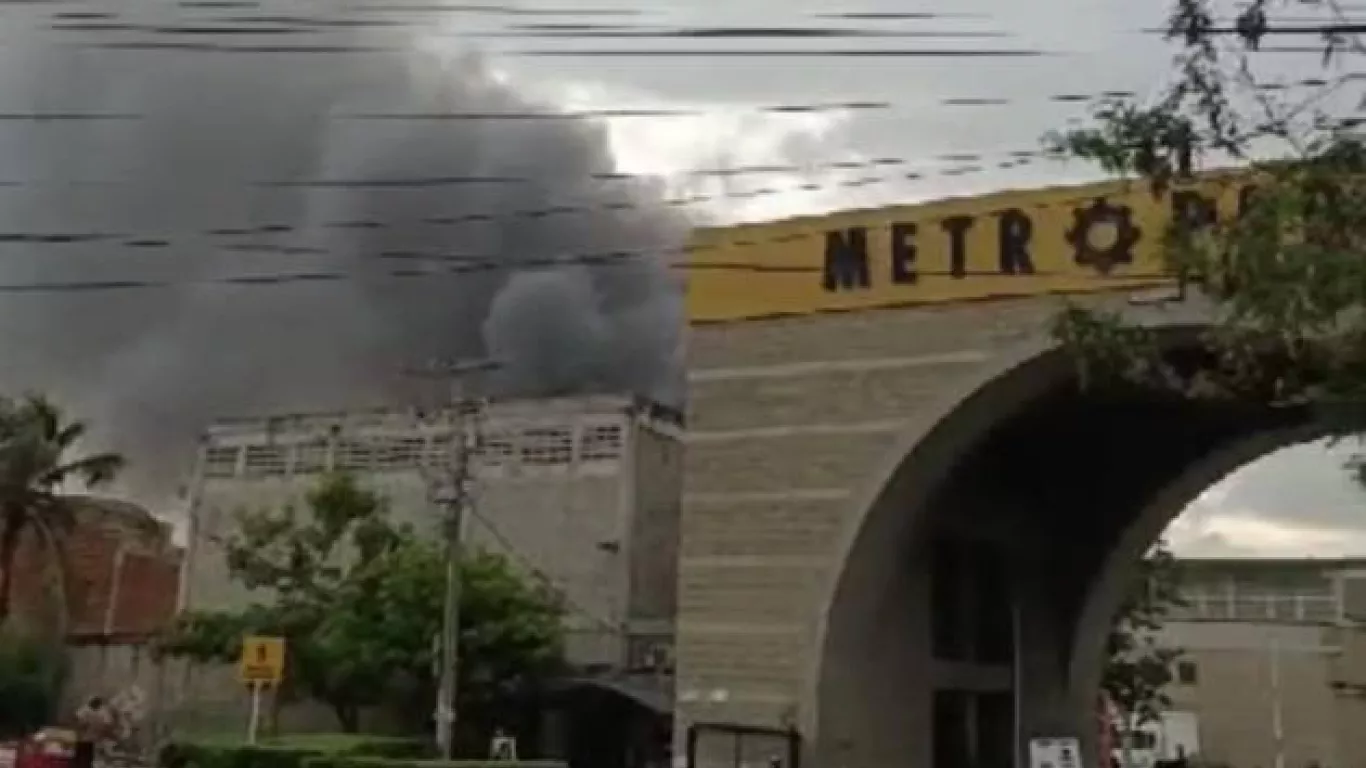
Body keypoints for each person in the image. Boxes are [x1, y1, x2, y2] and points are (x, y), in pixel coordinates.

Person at [73, 696, 110, 768]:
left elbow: (107, 725)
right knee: (85, 757)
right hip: (87, 739)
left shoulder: (102, 712)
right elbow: (77, 720)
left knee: (89, 758)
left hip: (93, 739)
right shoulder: (85, 710)